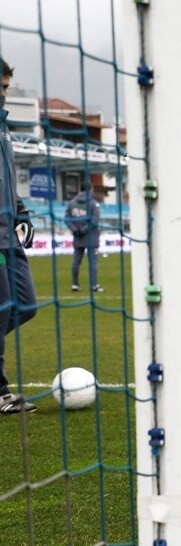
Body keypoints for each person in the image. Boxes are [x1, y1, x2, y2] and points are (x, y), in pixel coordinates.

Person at [1, 56, 39, 414]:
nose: (3, 94)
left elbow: (8, 184)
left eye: (6, 88)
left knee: (25, 305)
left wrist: (22, 212)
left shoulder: (4, 130)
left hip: (8, 235)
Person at [65, 186, 105, 292]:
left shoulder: (71, 203)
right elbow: (95, 220)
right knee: (93, 263)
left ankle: (75, 284)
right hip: (91, 237)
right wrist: (84, 230)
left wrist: (75, 230)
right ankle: (93, 285)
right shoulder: (93, 203)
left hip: (78, 237)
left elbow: (67, 219)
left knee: (76, 261)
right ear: (91, 189)